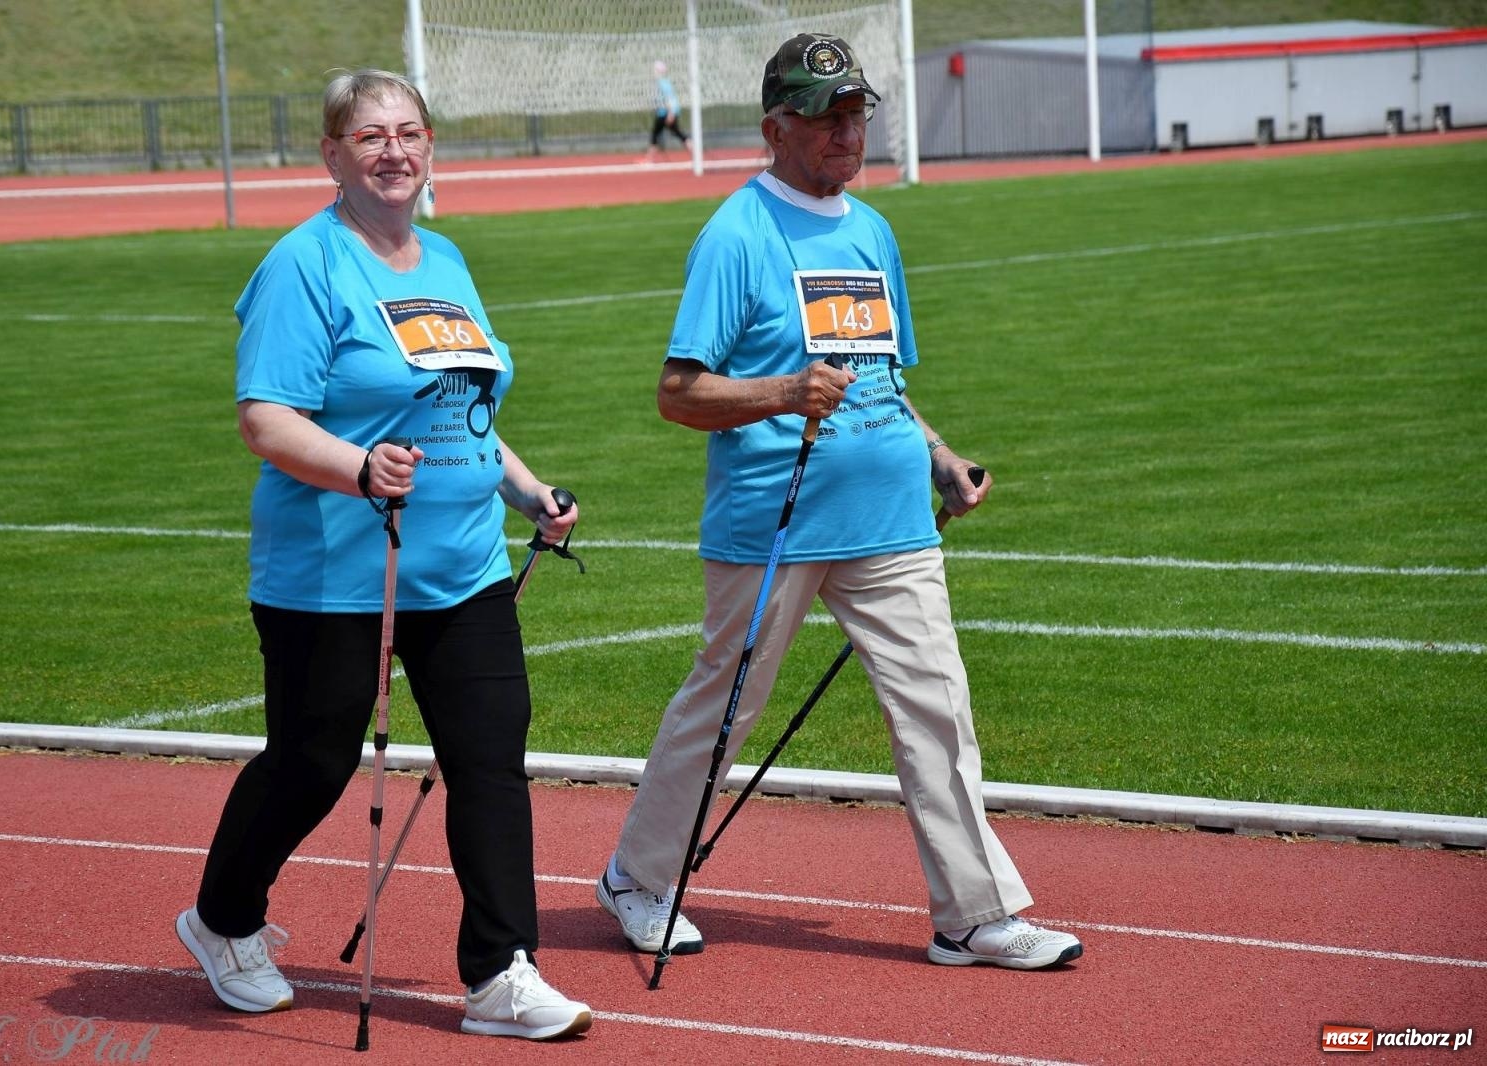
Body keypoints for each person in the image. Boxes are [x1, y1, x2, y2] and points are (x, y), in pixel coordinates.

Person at [595, 34, 1084, 972]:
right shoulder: (736, 234)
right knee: (725, 706)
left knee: (937, 709)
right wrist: (781, 392)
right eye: (825, 117)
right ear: (777, 127)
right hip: (771, 524)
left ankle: (972, 915)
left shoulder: (871, 230)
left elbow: (881, 379)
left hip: (890, 517)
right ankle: (638, 878)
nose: (845, 132)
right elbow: (678, 392)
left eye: (856, 114)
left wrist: (939, 454)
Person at [174, 68, 592, 1041]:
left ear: (431, 146)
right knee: (311, 763)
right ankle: (223, 920)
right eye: (370, 137)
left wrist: (526, 490)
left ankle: (501, 974)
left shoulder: (444, 258)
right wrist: (359, 466)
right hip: (332, 576)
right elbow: (266, 420)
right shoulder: (303, 265)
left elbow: (463, 408)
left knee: (490, 761)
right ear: (332, 155)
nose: (394, 151)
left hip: (465, 568)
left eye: (409, 132)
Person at [644, 59, 691, 163]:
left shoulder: (663, 83)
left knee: (656, 135)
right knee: (676, 134)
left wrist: (671, 114)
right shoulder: (661, 83)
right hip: (664, 112)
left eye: (655, 70)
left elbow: (670, 99)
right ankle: (695, 153)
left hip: (665, 113)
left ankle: (649, 160)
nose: (653, 72)